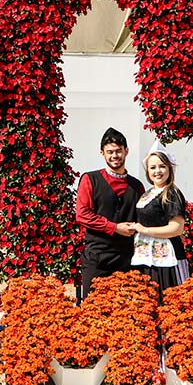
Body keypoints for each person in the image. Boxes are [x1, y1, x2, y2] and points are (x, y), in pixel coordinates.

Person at [75, 127, 145, 299]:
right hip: (97, 259)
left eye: (118, 151)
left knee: (126, 313)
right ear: (102, 153)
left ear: (126, 151)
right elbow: (82, 214)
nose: (115, 156)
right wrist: (114, 227)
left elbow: (143, 219)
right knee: (92, 311)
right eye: (110, 152)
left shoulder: (137, 186)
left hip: (127, 260)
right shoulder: (90, 179)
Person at [131, 144, 190, 302]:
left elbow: (176, 228)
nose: (157, 171)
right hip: (146, 257)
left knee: (168, 303)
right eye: (153, 167)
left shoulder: (172, 193)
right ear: (148, 171)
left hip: (167, 260)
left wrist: (144, 230)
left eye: (162, 166)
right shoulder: (147, 194)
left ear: (169, 168)